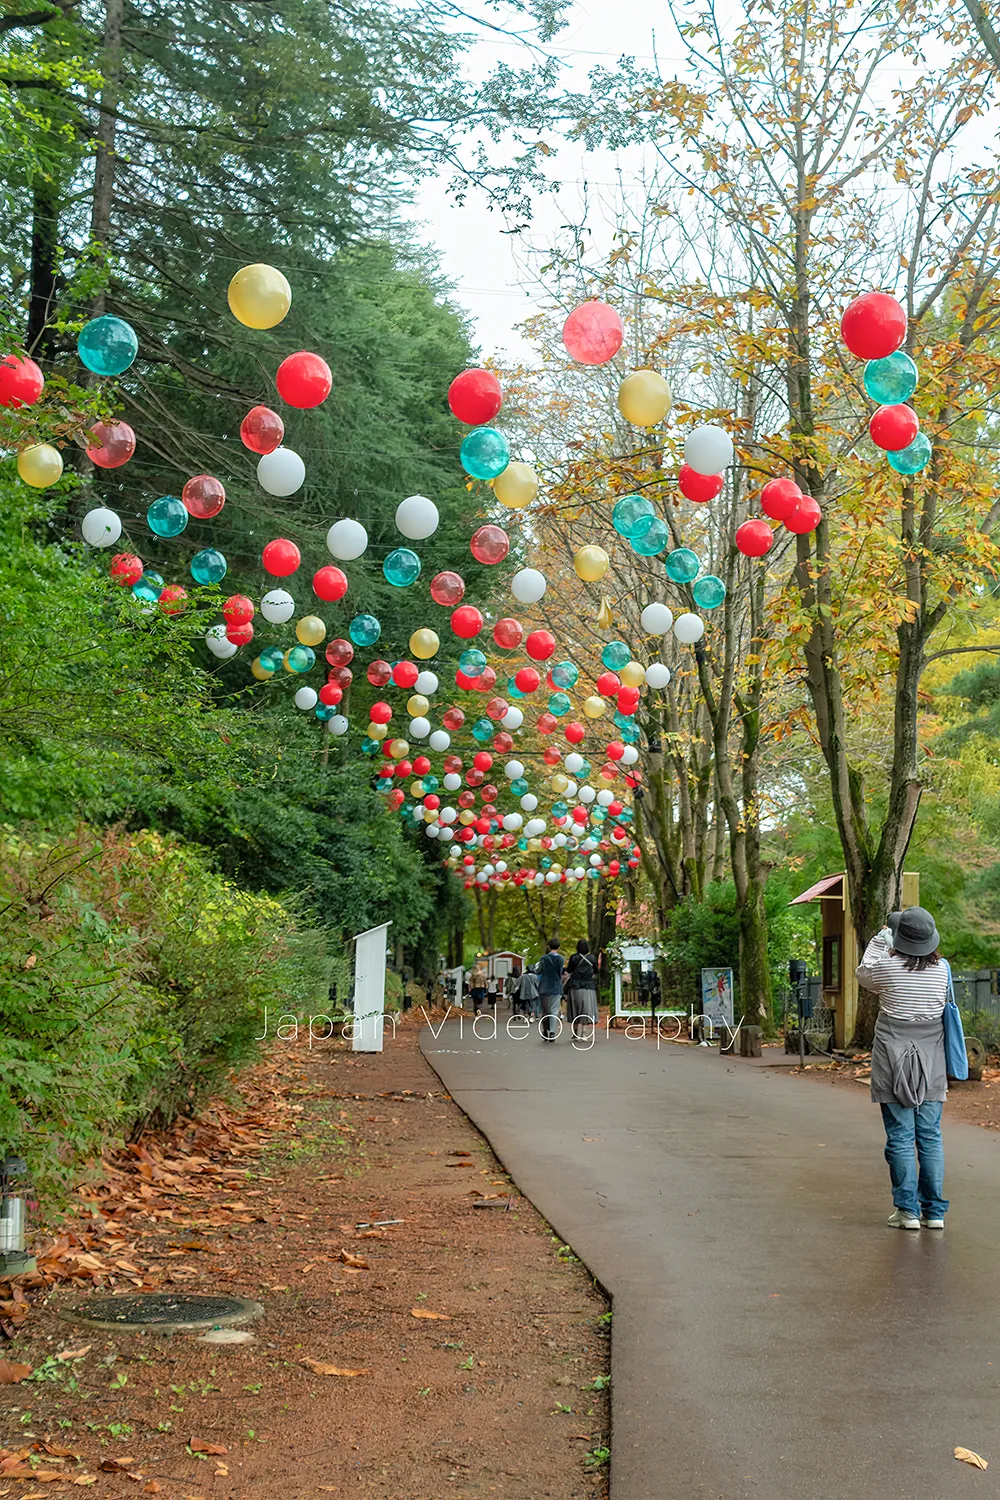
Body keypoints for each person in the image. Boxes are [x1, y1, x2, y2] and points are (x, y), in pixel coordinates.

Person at [856, 906, 949, 1231]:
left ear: (901, 938)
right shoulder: (943, 970)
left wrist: (881, 940)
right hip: (932, 1059)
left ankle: (907, 1211)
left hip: (892, 1055)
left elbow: (862, 973)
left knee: (900, 1134)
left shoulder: (888, 969)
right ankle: (934, 1212)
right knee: (930, 1135)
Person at [565, 939, 599, 1038]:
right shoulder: (592, 958)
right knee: (586, 1010)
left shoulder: (574, 958)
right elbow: (596, 970)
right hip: (588, 987)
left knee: (574, 1009)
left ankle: (575, 1032)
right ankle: (584, 1032)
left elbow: (569, 970)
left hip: (575, 986)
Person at [536, 938, 566, 1042]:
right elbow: (560, 973)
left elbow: (539, 971)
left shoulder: (543, 959)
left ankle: (545, 1031)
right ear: (559, 947)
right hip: (556, 987)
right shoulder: (561, 959)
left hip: (544, 987)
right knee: (554, 1011)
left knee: (545, 1011)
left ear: (548, 946)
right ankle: (552, 1032)